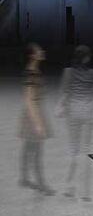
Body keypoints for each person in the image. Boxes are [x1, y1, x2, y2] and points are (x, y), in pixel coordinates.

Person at [58, 44, 93, 200]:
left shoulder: (67, 72)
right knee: (86, 150)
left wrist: (62, 107)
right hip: (87, 112)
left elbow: (64, 92)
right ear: (87, 58)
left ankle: (69, 187)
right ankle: (85, 192)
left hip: (73, 112)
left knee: (73, 150)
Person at [19, 43, 54, 195]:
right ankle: (41, 185)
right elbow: (28, 99)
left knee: (28, 147)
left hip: (31, 114)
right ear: (32, 55)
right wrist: (38, 124)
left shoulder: (33, 71)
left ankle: (24, 177)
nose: (42, 51)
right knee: (37, 152)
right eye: (39, 50)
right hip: (34, 116)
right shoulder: (31, 73)